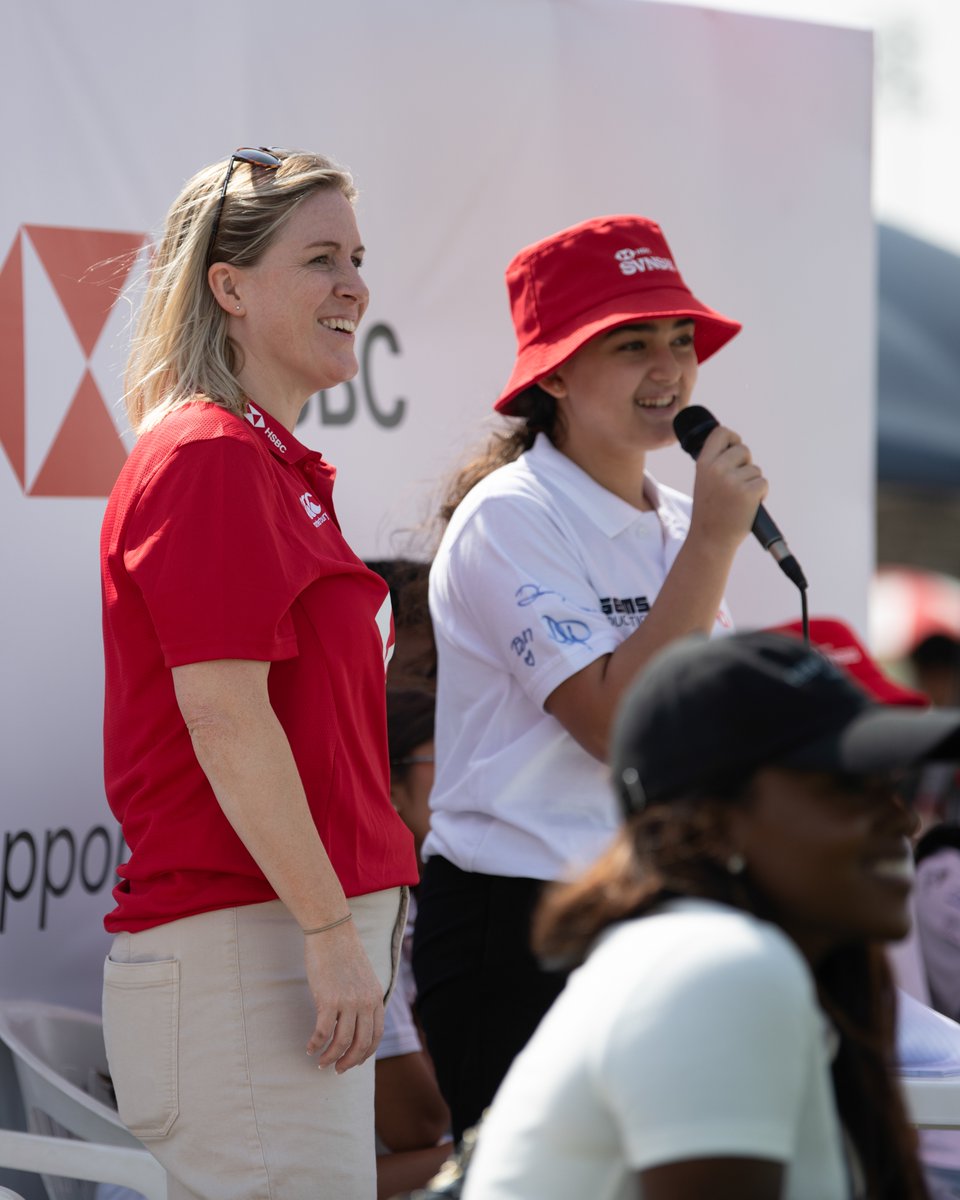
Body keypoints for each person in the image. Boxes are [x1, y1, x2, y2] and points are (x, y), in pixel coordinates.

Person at [99, 147, 418, 1200]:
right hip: (253, 949)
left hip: (276, 947)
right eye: (321, 257)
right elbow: (228, 721)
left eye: (358, 258)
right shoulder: (209, 455)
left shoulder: (260, 459)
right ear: (228, 287)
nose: (355, 286)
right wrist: (329, 933)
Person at [412, 213, 768, 1137]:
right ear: (556, 374)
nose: (671, 369)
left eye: (682, 341)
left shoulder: (683, 521)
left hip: (654, 916)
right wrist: (717, 543)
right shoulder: (509, 517)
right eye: (633, 343)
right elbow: (617, 727)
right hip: (517, 929)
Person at [462, 630, 960, 1200]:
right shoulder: (718, 964)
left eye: (892, 784)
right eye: (845, 787)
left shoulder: (732, 961)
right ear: (707, 825)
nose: (900, 821)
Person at [375, 690, 451, 1199]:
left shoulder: (419, 900)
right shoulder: (364, 904)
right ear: (389, 785)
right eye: (443, 760)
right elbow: (418, 1123)